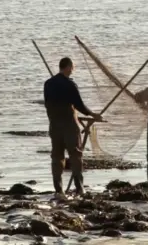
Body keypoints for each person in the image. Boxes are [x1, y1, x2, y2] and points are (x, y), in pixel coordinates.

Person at [43, 57, 102, 198]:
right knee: (76, 156)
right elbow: (79, 105)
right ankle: (79, 189)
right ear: (68, 67)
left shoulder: (48, 84)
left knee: (57, 157)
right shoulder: (70, 84)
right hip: (69, 125)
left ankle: (59, 191)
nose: (73, 69)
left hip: (54, 125)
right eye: (73, 67)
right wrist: (93, 114)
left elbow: (47, 104)